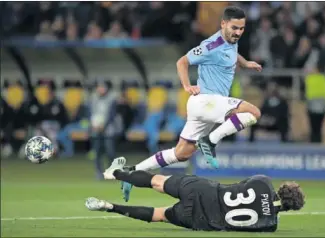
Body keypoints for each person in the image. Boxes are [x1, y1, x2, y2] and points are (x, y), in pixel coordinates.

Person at [120, 6, 262, 202]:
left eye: (241, 28)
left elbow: (231, 53)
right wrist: (187, 85)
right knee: (253, 112)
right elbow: (182, 62)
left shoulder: (231, 41)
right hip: (206, 101)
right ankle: (210, 141)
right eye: (234, 28)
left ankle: (131, 173)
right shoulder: (210, 45)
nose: (238, 32)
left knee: (181, 153)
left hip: (208, 106)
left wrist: (245, 63)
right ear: (223, 24)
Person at [86, 157, 305, 232]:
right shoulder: (270, 225)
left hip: (206, 190)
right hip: (204, 220)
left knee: (157, 182)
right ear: (290, 208)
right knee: (160, 215)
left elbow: (241, 184)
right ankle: (109, 206)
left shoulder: (263, 182)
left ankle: (114, 173)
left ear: (283, 188)